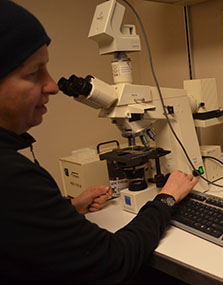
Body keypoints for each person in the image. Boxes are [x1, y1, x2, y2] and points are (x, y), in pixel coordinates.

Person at [0, 1, 198, 284]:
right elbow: (113, 260)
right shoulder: (11, 177)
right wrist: (165, 200)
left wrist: (67, 211)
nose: (54, 86)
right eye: (34, 73)